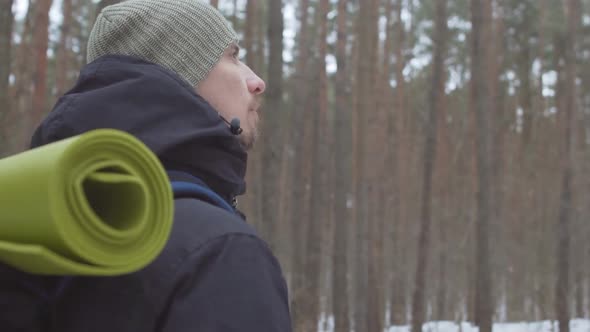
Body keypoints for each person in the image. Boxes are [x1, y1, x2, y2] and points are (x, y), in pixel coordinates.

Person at [22, 0, 292, 330]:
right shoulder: (217, 251)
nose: (256, 81)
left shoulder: (51, 224)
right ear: (180, 76)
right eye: (233, 56)